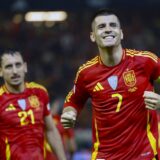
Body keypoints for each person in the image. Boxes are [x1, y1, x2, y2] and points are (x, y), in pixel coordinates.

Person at [61, 9, 160, 160]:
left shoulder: (145, 61)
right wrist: (70, 113)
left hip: (144, 154)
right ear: (93, 36)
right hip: (105, 155)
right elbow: (74, 101)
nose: (108, 29)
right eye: (101, 27)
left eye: (112, 25)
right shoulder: (86, 73)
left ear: (121, 33)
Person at [0, 50, 66, 160]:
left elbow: (51, 130)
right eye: (8, 67)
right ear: (1, 71)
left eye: (18, 65)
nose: (15, 71)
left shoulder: (40, 92)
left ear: (25, 67)